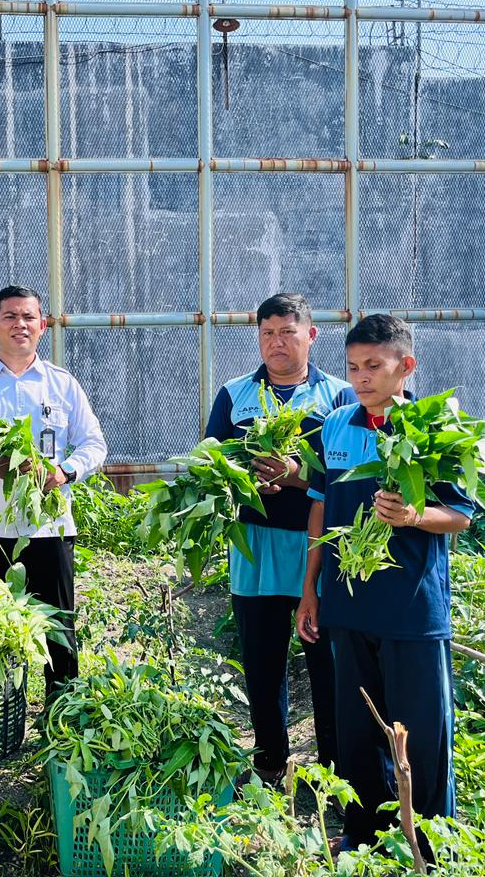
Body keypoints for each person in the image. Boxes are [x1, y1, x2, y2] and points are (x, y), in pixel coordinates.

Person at [297, 314, 473, 854]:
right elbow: (321, 508)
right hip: (348, 606)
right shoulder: (335, 425)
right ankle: (363, 837)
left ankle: (430, 847)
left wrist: (415, 515)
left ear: (406, 366)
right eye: (353, 367)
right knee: (357, 732)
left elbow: (460, 515)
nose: (361, 377)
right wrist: (310, 589)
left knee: (421, 734)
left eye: (373, 365)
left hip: (410, 610)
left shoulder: (433, 430)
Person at [204, 293, 353, 783]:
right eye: (267, 333)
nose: (277, 343)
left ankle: (334, 770)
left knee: (328, 659)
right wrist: (242, 480)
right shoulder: (234, 394)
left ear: (311, 335)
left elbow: (352, 476)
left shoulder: (340, 397)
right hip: (255, 544)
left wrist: (298, 475)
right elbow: (210, 465)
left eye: (288, 332)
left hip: (321, 546)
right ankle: (270, 762)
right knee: (262, 659)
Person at [0, 285, 107, 698]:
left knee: (58, 630)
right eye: (10, 316)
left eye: (29, 317)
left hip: (49, 529)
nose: (20, 324)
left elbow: (94, 444)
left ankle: (60, 716)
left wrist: (64, 472)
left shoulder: (62, 384)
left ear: (42, 325)